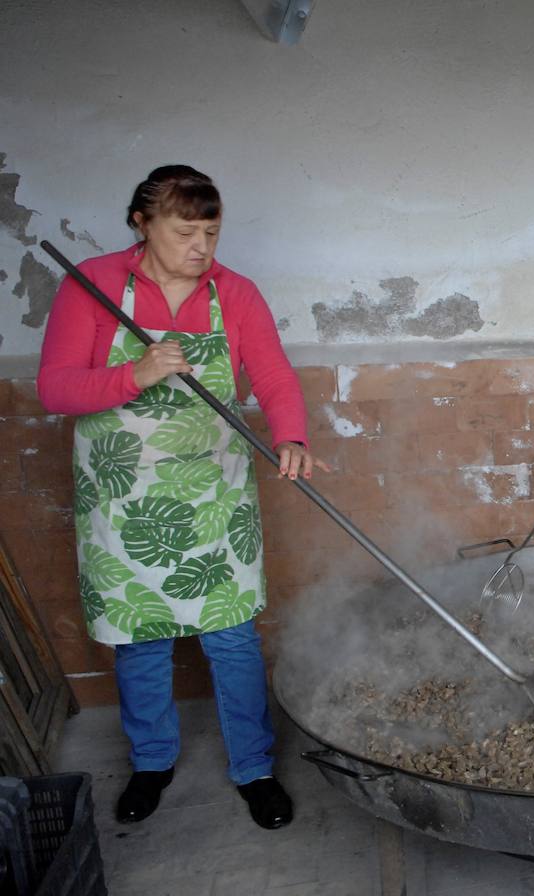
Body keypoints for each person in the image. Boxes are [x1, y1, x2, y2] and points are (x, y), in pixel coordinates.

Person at [37, 165, 328, 829]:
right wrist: (135, 373)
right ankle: (152, 762)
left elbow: (274, 375)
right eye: (185, 230)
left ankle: (254, 767)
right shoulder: (95, 286)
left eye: (211, 231)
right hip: (123, 496)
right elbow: (55, 390)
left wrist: (291, 436)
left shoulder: (235, 293)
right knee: (140, 639)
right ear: (142, 224)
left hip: (213, 492)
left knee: (231, 637)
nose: (202, 246)